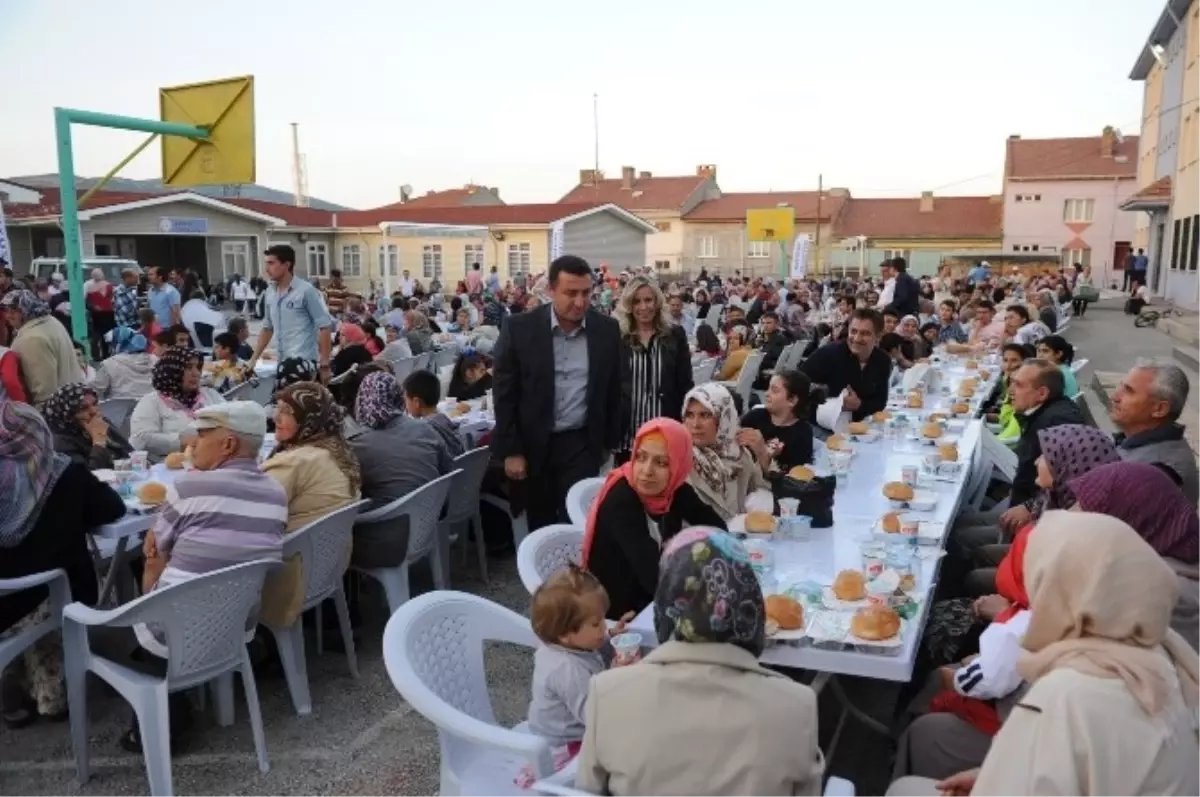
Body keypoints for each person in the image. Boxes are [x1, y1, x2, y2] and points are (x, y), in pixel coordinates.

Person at [888, 511, 1200, 797]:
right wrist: (990, 772)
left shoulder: (1072, 691)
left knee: (904, 788)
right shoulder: (1159, 651)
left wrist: (994, 777)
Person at [576, 529, 823, 797]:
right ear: (749, 606)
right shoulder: (797, 706)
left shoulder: (608, 694)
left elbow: (587, 790)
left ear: (665, 604)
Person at [0, 400, 125, 727]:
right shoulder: (62, 472)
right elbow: (112, 509)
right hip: (56, 593)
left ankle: (13, 682)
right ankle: (50, 697)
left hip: (5, 598)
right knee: (46, 590)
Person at [491, 255, 622, 530]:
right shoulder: (519, 329)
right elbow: (505, 394)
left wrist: (607, 443)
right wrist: (511, 450)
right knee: (541, 523)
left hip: (581, 444)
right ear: (551, 290)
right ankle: (545, 573)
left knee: (579, 523)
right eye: (570, 293)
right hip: (534, 445)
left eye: (586, 293)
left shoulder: (606, 331)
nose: (580, 302)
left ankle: (577, 573)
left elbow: (614, 388)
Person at [583, 418, 726, 619]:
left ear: (678, 464)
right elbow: (655, 577)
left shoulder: (674, 490)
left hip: (654, 595)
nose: (647, 471)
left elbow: (718, 529)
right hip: (622, 611)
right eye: (641, 457)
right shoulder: (622, 502)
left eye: (661, 462)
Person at [260, 382, 361, 629]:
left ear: (309, 419)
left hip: (288, 578)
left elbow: (250, 514)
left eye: (287, 412)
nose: (276, 417)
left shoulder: (296, 462)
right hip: (328, 567)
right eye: (278, 409)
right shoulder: (338, 449)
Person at [615, 277, 693, 461]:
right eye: (636, 301)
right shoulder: (618, 337)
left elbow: (685, 384)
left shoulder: (675, 335)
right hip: (628, 433)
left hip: (664, 428)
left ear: (657, 301)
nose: (643, 307)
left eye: (648, 300)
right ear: (628, 305)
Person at [1109, 360, 1200, 504]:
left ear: (1159, 409)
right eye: (1120, 386)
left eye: (1128, 390)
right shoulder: (1139, 444)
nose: (1114, 397)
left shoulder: (1157, 472)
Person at [247, 245, 334, 385]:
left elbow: (325, 326)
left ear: (287, 265)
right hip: (282, 363)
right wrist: (253, 360)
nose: (266, 269)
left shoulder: (306, 291)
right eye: (266, 263)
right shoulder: (270, 292)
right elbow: (267, 328)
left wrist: (324, 363)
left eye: (271, 263)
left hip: (303, 363)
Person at [683, 383, 768, 520]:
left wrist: (762, 454)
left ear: (724, 419)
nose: (695, 424)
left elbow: (764, 500)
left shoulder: (739, 454)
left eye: (705, 415)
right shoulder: (677, 456)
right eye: (690, 415)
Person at [129, 346, 225, 462]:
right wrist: (181, 441)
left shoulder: (210, 395)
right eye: (189, 368)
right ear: (172, 371)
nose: (196, 373)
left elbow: (233, 420)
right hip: (168, 467)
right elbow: (141, 438)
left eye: (198, 367)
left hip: (215, 461)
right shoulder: (152, 401)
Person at [800, 307, 891, 423]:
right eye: (853, 331)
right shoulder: (827, 354)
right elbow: (797, 388)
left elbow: (880, 402)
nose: (857, 338)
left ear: (879, 336)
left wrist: (859, 405)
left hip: (858, 426)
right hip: (818, 425)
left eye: (865, 333)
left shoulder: (882, 360)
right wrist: (835, 404)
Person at [0, 290, 79, 405]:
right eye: (6, 310)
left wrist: (37, 417)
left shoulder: (31, 339)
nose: (8, 315)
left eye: (14, 311)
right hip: (70, 402)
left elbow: (43, 390)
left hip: (54, 411)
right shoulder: (50, 321)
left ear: (26, 310)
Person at [41, 382, 133, 469]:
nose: (93, 411)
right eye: (83, 408)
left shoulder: (100, 422)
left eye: (94, 404)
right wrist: (99, 442)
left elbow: (130, 453)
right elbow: (87, 479)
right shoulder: (60, 443)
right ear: (68, 415)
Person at [738, 369, 814, 473]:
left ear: (792, 400)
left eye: (774, 390)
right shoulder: (755, 416)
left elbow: (793, 480)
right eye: (768, 388)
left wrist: (761, 452)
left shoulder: (802, 433)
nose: (766, 394)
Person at [402, 369, 466, 458]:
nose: (405, 404)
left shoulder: (423, 431)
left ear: (416, 402)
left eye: (406, 399)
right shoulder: (445, 420)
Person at [93, 328, 155, 400]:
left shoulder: (110, 363)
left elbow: (96, 389)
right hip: (151, 406)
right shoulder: (154, 359)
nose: (110, 348)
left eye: (111, 344)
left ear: (118, 343)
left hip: (119, 408)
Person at [84, 268, 116, 360]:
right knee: (107, 335)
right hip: (108, 313)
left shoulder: (89, 287)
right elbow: (112, 300)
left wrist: (94, 307)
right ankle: (106, 354)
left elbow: (89, 302)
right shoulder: (109, 286)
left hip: (96, 314)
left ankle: (96, 355)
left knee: (96, 335)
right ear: (102, 275)